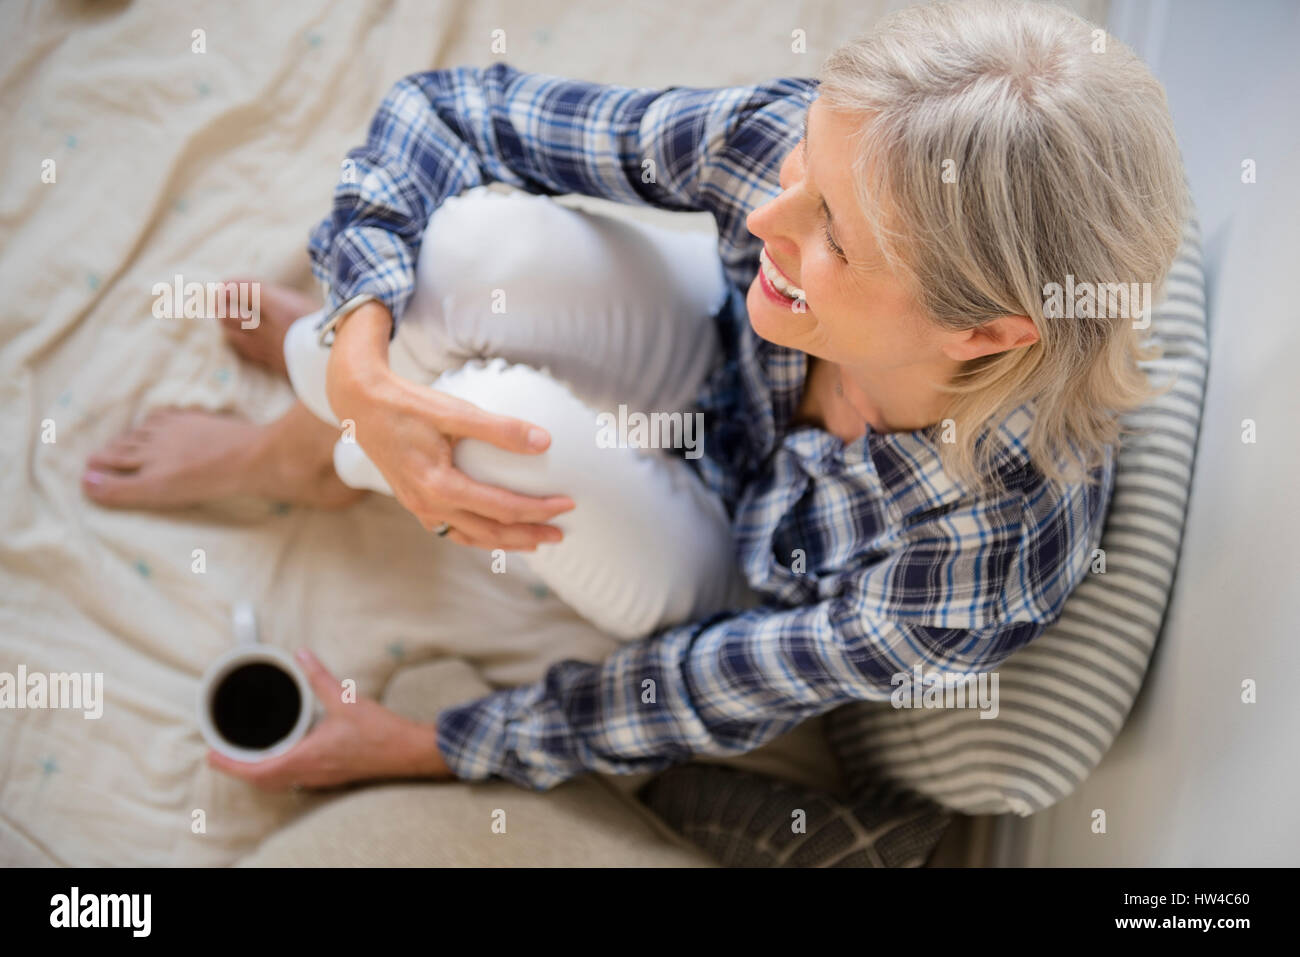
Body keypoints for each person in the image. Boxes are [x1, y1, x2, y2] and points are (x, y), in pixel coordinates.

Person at [83, 0, 1187, 793]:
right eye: (803, 169)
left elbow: (693, 690)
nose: (768, 218)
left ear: (983, 334)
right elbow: (453, 112)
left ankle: (324, 421)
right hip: (714, 354)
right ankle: (317, 430)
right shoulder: (821, 157)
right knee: (463, 253)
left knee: (486, 423)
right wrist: (363, 347)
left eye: (835, 238)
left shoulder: (983, 560)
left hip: (723, 560)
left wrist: (428, 745)